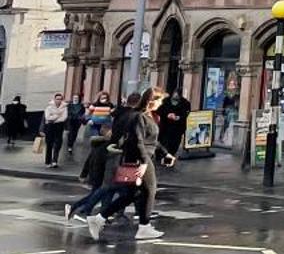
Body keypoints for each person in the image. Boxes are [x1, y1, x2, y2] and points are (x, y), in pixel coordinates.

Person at [87, 89, 169, 242]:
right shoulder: (138, 117)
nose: (161, 103)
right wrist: (144, 162)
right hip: (141, 158)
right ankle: (144, 227)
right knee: (150, 190)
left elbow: (151, 140)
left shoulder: (144, 116)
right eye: (159, 100)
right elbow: (137, 141)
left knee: (132, 194)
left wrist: (165, 153)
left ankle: (99, 218)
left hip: (142, 156)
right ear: (151, 101)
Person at [64, 134, 117, 225]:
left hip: (96, 174)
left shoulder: (97, 147)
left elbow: (88, 162)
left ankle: (99, 214)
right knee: (99, 194)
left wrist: (83, 174)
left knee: (101, 194)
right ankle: (78, 208)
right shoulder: (105, 148)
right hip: (101, 175)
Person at [156, 91, 191, 160]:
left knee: (175, 143)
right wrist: (167, 115)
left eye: (178, 95)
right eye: (175, 94)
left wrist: (179, 117)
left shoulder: (185, 103)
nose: (176, 96)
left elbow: (186, 113)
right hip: (165, 126)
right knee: (163, 141)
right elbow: (159, 110)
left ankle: (170, 156)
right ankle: (160, 155)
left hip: (178, 127)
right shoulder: (165, 101)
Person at [41, 93, 67, 167]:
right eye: (57, 99)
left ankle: (55, 160)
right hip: (50, 126)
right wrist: (58, 115)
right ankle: (48, 162)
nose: (59, 100)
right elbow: (47, 117)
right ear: (54, 99)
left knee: (58, 144)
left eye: (60, 99)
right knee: (49, 144)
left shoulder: (64, 107)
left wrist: (54, 117)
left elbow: (64, 118)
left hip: (59, 127)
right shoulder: (49, 107)